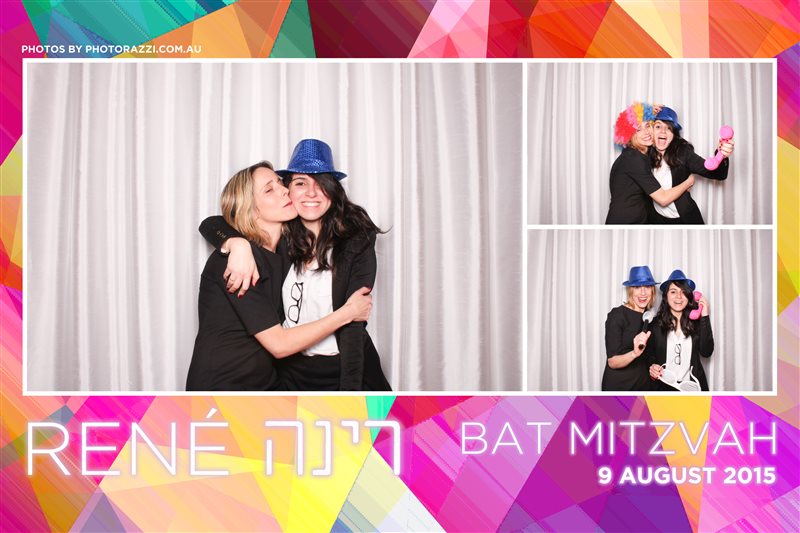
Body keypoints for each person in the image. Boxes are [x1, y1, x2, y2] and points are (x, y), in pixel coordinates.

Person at [200, 140, 391, 391]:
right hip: (239, 388)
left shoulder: (340, 244)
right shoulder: (251, 259)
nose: (286, 191)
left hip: (309, 379)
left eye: (321, 183)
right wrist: (236, 244)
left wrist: (350, 396)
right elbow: (212, 222)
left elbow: (353, 331)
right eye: (299, 183)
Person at [605, 102, 696, 224]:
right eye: (638, 129)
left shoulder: (637, 154)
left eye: (648, 125)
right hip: (625, 223)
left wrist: (648, 111)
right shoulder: (633, 159)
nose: (646, 132)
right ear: (629, 135)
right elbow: (663, 199)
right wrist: (689, 181)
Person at [648, 106, 734, 224]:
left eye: (668, 128)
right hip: (656, 218)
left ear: (673, 134)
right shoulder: (645, 153)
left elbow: (719, 174)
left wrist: (722, 155)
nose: (663, 131)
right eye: (658, 126)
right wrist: (646, 109)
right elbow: (631, 133)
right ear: (651, 130)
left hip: (684, 218)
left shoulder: (683, 153)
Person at [646, 270, 714, 391]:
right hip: (663, 388)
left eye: (683, 292)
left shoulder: (697, 323)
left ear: (689, 297)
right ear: (666, 296)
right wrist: (652, 367)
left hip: (692, 388)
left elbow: (706, 352)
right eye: (673, 292)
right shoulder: (655, 324)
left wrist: (704, 316)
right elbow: (649, 356)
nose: (679, 296)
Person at [601, 266, 658, 391]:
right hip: (619, 387)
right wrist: (634, 354)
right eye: (637, 287)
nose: (643, 293)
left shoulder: (650, 318)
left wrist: (654, 367)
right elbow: (612, 362)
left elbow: (650, 356)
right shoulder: (617, 316)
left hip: (643, 386)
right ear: (630, 290)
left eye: (647, 287)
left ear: (652, 290)